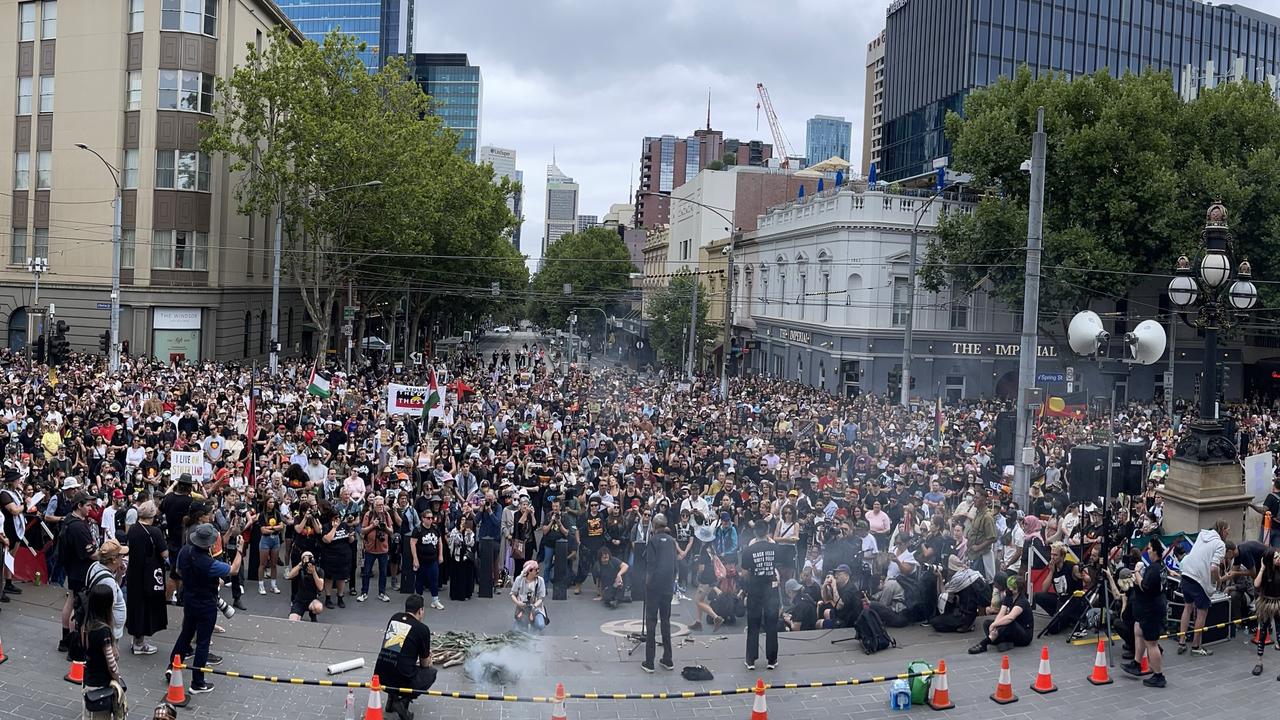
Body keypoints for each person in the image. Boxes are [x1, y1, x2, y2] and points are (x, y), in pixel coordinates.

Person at [167, 523, 246, 696]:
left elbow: (179, 571)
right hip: (205, 603)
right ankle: (197, 682)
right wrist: (240, 550)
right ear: (209, 543)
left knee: (186, 634)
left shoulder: (185, 551)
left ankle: (172, 667)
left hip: (189, 598)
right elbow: (233, 570)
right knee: (203, 642)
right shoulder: (207, 562)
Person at [375, 594, 437, 720]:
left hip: (380, 675)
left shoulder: (395, 618)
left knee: (397, 663)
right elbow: (424, 664)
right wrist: (429, 659)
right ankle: (402, 702)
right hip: (401, 677)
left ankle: (392, 699)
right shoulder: (422, 629)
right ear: (420, 610)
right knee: (430, 673)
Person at [1122, 537, 1168, 687]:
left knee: (1152, 643)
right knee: (1138, 630)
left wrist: (1136, 572)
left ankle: (1158, 675)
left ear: (1155, 551)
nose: (1147, 551)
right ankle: (1136, 663)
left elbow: (1145, 586)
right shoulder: (1160, 566)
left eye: (1149, 548)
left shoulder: (1154, 569)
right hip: (1149, 609)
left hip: (1151, 610)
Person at [1177, 520, 1228, 656]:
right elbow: (1213, 568)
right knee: (1202, 612)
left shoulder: (1202, 535)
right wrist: (1219, 580)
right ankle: (1196, 646)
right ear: (1222, 529)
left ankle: (1182, 642)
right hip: (1199, 579)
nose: (1228, 533)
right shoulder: (1220, 544)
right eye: (1227, 530)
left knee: (1187, 607)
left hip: (1187, 573)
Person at [125, 500, 167, 655]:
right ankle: (139, 643)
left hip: (134, 572)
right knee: (145, 606)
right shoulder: (155, 532)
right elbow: (164, 553)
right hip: (149, 574)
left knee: (135, 604)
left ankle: (136, 636)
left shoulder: (133, 529)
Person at [82, 583, 128, 720]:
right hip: (101, 685)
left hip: (89, 681)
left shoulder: (87, 624)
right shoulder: (103, 631)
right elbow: (111, 663)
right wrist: (117, 679)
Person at [740, 523, 781, 671]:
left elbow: (744, 574)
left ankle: (751, 660)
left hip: (755, 589)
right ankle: (772, 659)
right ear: (768, 532)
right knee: (771, 624)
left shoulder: (748, 550)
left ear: (754, 533)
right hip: (771, 589)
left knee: (753, 625)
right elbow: (778, 566)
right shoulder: (775, 548)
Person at [641, 513, 677, 673]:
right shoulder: (671, 541)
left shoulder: (653, 541)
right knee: (666, 621)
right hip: (668, 586)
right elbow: (675, 565)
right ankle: (668, 659)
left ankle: (649, 662)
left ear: (654, 526)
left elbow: (650, 564)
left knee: (651, 622)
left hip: (654, 587)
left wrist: (646, 584)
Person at [968, 575, 1033, 654]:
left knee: (1009, 623)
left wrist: (994, 625)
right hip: (1012, 630)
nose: (1008, 589)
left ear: (1016, 590)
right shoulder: (1009, 597)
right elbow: (1001, 613)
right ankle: (999, 639)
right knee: (987, 623)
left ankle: (985, 643)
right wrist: (995, 625)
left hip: (1024, 634)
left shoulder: (1022, 601)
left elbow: (1010, 617)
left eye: (1011, 587)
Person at [1250, 547, 1280, 677]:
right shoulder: (1265, 571)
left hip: (1278, 604)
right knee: (1262, 633)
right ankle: (1259, 662)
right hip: (1266, 603)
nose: (1279, 559)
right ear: (1269, 560)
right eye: (1276, 557)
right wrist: (1262, 568)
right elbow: (1256, 584)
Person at [360, 494, 395, 603]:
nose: (380, 507)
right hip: (370, 548)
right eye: (378, 505)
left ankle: (382, 593)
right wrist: (373, 525)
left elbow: (391, 532)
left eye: (382, 504)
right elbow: (363, 530)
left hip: (383, 549)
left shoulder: (386, 515)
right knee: (366, 572)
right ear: (373, 505)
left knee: (383, 572)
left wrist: (385, 527)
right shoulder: (368, 514)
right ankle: (364, 593)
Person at [286, 550, 325, 622]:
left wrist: (314, 573)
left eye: (310, 557)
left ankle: (312, 614)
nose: (308, 559)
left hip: (312, 599)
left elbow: (320, 587)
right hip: (299, 600)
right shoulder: (300, 570)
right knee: (292, 620)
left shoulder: (319, 571)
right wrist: (300, 564)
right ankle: (296, 612)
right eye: (305, 557)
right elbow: (289, 576)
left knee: (318, 607)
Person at [510, 560, 547, 633]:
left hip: (536, 608)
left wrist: (534, 606)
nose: (538, 571)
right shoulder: (519, 579)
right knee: (517, 631)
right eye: (536, 570)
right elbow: (512, 594)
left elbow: (541, 598)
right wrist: (518, 603)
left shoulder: (540, 580)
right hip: (522, 608)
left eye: (538, 569)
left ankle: (535, 630)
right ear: (529, 571)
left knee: (540, 625)